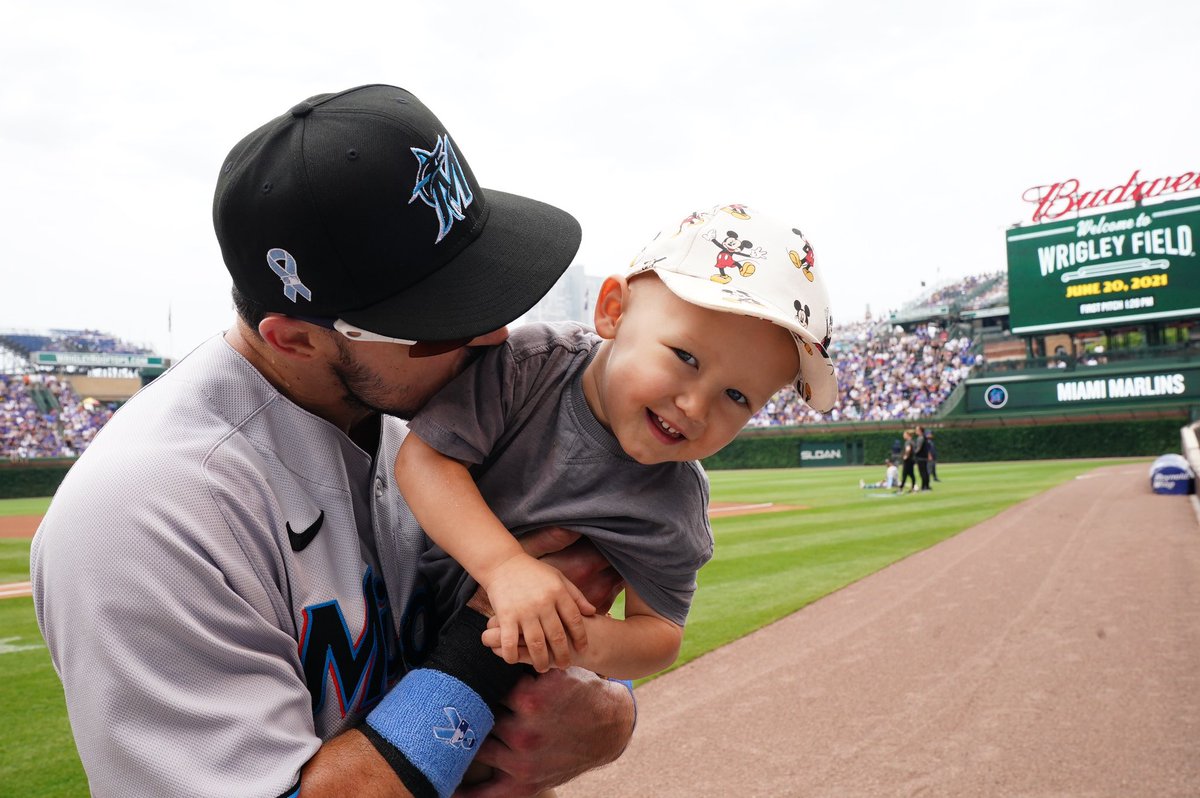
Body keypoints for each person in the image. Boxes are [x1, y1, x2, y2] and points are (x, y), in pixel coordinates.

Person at [30, 84, 634, 798]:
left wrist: (609, 714)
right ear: (295, 338)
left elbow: (573, 685)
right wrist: (486, 648)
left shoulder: (444, 406)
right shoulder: (145, 511)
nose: (493, 334)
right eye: (442, 318)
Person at [395, 205, 837, 680]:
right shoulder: (531, 366)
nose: (695, 406)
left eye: (737, 396)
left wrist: (577, 638)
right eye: (685, 356)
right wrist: (505, 568)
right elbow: (423, 459)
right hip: (390, 623)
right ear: (613, 312)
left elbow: (661, 633)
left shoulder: (677, 499)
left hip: (501, 685)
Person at [914, 424, 932, 491]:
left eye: (917, 430)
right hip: (924, 457)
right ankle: (926, 485)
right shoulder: (924, 437)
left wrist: (914, 452)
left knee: (922, 472)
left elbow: (918, 448)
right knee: (925, 472)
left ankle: (924, 486)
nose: (915, 431)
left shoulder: (920, 438)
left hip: (920, 457)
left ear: (920, 431)